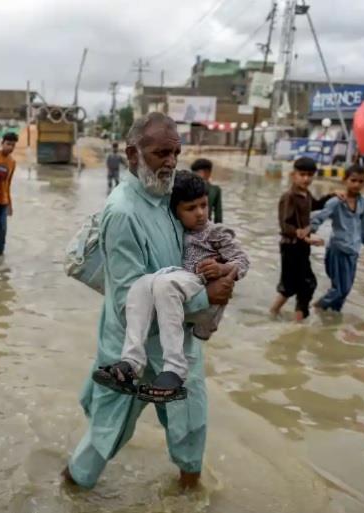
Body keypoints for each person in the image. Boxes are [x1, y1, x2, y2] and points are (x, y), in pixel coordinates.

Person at [62, 112, 237, 490]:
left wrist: (212, 268)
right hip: (134, 345)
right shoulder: (123, 212)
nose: (172, 162)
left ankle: (190, 494)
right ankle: (70, 489)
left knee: (192, 421)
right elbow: (129, 302)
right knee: (107, 433)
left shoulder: (166, 197)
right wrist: (204, 297)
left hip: (177, 340)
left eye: (177, 152)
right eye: (162, 154)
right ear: (132, 154)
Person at [93, 170, 249, 402]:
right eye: (190, 208)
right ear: (175, 210)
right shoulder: (173, 228)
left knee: (164, 284)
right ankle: (131, 363)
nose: (200, 213)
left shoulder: (215, 232)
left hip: (200, 284)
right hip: (182, 285)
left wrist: (223, 269)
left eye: (203, 206)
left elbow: (242, 261)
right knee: (141, 285)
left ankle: (175, 369)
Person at [269, 157, 334, 322]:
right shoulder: (289, 197)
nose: (306, 178)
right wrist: (306, 237)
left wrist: (332, 196)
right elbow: (285, 226)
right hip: (290, 247)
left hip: (301, 246)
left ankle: (276, 314)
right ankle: (295, 322)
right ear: (293, 175)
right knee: (303, 284)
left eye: (310, 175)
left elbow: (316, 205)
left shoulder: (306, 194)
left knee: (295, 285)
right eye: (302, 174)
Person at [309, 164, 364, 312]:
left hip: (353, 251)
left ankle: (332, 321)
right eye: (353, 180)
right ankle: (314, 309)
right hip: (338, 250)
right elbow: (318, 218)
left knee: (346, 291)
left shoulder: (363, 202)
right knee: (339, 290)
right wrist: (310, 234)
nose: (357, 184)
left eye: (361, 181)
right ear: (345, 180)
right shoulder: (336, 202)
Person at [190, 158, 222, 223]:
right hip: (206, 225)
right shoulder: (215, 190)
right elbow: (218, 217)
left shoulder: (188, 186)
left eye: (196, 173)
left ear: (206, 173)